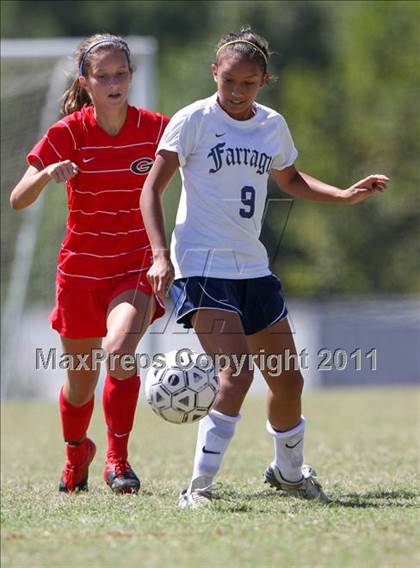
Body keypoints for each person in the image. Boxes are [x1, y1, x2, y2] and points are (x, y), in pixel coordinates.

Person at [140, 26, 389, 508]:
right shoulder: (192, 120)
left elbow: (290, 178)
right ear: (215, 72)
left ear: (264, 81)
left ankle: (289, 472)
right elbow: (151, 189)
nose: (236, 91)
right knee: (236, 374)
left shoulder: (272, 125)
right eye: (229, 80)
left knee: (288, 379)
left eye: (248, 83)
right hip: (202, 267)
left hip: (253, 269)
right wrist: (158, 255)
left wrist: (342, 194)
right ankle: (199, 488)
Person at [10, 34, 169, 494]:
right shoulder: (68, 133)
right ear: (87, 80)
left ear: (132, 77)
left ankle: (118, 461)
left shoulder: (157, 129)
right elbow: (18, 199)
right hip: (80, 274)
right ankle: (76, 451)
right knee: (80, 385)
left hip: (133, 270)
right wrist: (45, 175)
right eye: (103, 76)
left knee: (120, 354)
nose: (114, 83)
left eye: (121, 74)